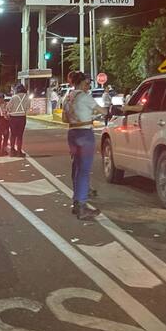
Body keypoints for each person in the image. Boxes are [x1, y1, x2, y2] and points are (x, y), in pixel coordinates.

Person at [64, 71, 107, 220]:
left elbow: (64, 119)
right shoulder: (84, 97)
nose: (88, 86)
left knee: (76, 168)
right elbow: (103, 110)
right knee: (84, 170)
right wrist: (95, 115)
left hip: (72, 133)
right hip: (85, 134)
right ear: (81, 83)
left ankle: (76, 203)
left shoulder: (67, 97)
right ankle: (81, 206)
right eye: (87, 83)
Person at [6, 84, 34, 156]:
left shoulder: (14, 97)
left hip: (13, 117)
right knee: (20, 135)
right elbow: (28, 108)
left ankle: (12, 150)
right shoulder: (27, 97)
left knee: (13, 134)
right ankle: (19, 151)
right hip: (22, 117)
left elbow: (8, 107)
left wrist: (10, 112)